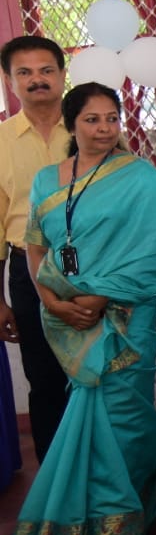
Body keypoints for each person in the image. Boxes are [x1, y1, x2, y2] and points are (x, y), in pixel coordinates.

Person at [6, 83, 156, 535]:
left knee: (122, 417)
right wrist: (50, 299)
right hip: (65, 316)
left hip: (125, 316)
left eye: (111, 119)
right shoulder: (45, 181)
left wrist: (102, 296)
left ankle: (112, 534)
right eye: (92, 120)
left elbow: (153, 251)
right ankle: (151, 494)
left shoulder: (141, 179)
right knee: (90, 415)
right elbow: (35, 245)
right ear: (71, 124)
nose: (104, 129)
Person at [0, 37, 71, 467]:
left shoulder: (92, 128)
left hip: (96, 268)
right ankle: (56, 482)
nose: (37, 80)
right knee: (44, 378)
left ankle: (118, 477)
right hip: (29, 270)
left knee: (105, 372)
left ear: (63, 75)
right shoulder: (1, 140)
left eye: (46, 70)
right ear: (9, 82)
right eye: (24, 72)